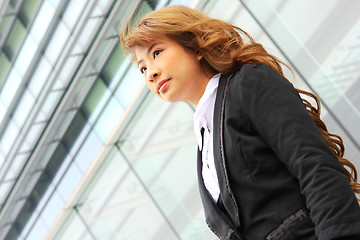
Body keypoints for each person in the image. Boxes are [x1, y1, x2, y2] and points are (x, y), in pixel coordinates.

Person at [120, 5, 360, 240]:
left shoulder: (247, 84)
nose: (150, 73)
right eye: (142, 68)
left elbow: (314, 166)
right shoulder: (204, 145)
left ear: (194, 47)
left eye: (157, 53)